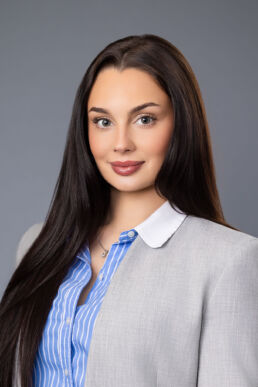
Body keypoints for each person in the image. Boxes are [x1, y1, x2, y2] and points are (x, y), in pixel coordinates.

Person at [0, 34, 258, 387]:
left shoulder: (228, 261)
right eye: (103, 122)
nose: (121, 144)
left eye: (145, 119)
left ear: (180, 124)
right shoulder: (37, 244)